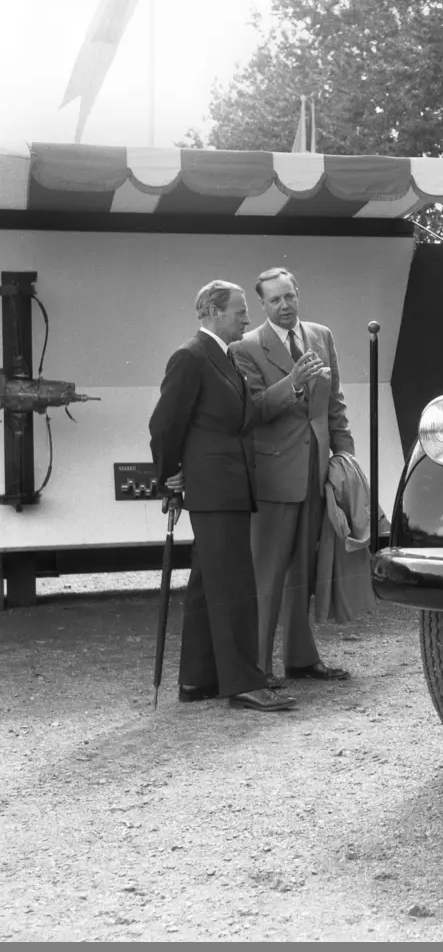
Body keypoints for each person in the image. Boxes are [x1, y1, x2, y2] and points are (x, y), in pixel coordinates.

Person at [148, 280, 295, 713]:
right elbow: (165, 424)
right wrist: (169, 475)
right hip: (215, 490)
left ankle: (199, 679)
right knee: (233, 583)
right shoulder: (191, 357)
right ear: (212, 313)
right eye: (240, 311)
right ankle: (244, 683)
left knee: (207, 583)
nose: (247, 318)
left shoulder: (224, 356)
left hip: (227, 487)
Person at [230, 267, 354, 686]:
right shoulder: (245, 347)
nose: (284, 306)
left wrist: (345, 461)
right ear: (262, 305)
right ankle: (259, 668)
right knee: (268, 574)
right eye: (274, 300)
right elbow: (253, 411)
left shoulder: (322, 335)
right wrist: (293, 382)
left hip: (316, 472)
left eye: (289, 297)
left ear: (298, 294)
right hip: (274, 475)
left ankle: (300, 659)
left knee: (304, 569)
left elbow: (335, 405)